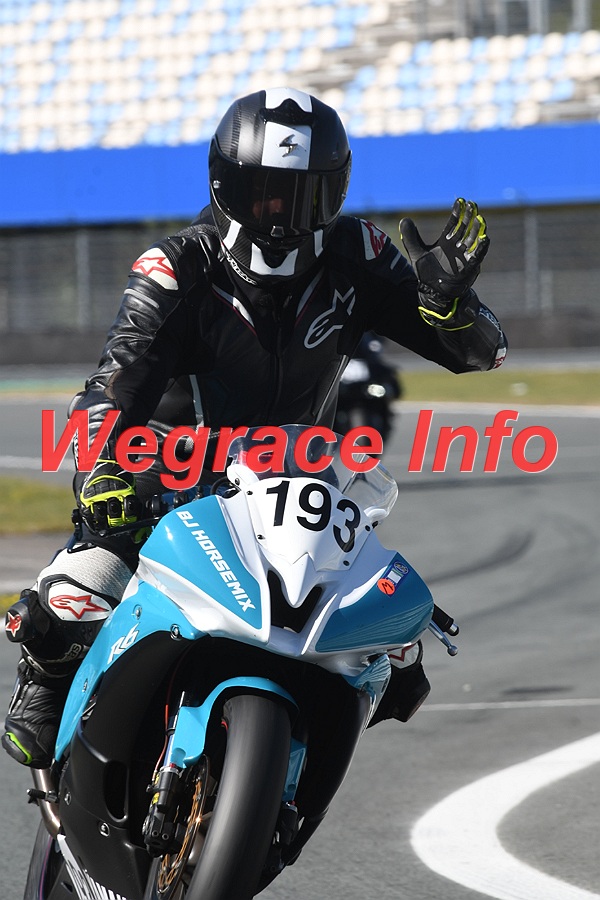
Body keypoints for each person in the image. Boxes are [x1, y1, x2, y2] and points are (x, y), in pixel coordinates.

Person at [3, 86, 506, 769]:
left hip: (295, 485)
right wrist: (103, 472)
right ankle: (46, 674)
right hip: (168, 478)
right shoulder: (177, 266)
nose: (284, 218)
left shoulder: (359, 253)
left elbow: (480, 355)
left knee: (395, 651)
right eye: (266, 194)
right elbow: (112, 386)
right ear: (225, 185)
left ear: (336, 193)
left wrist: (448, 306)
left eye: (305, 197)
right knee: (76, 594)